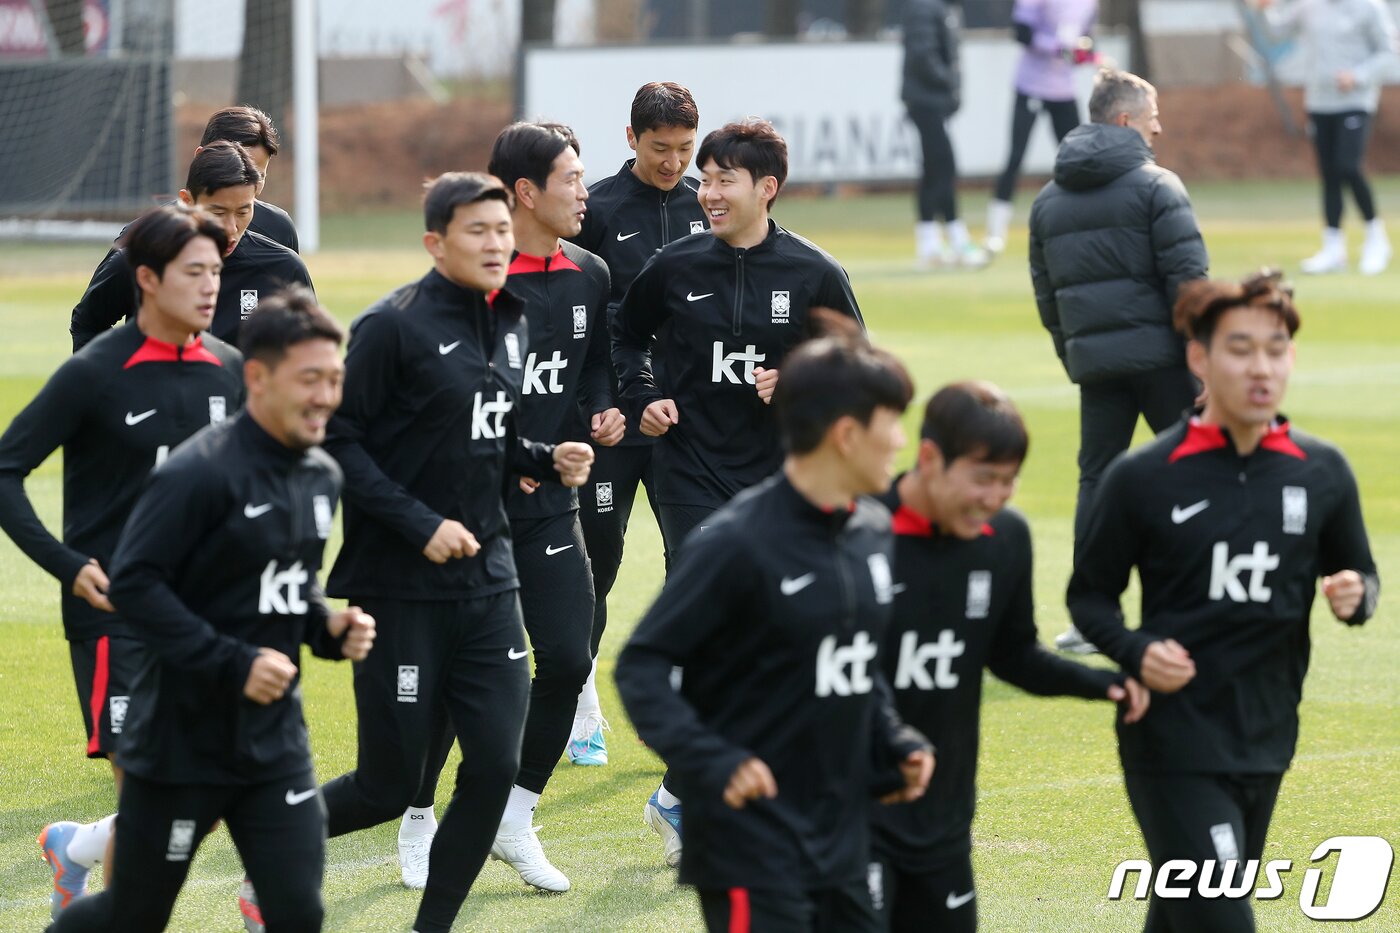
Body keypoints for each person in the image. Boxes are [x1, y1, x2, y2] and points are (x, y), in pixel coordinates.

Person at [314, 172, 594, 933]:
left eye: (503, 229)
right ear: (435, 242)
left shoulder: (512, 319)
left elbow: (488, 434)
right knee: (389, 781)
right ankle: (278, 843)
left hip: (489, 579)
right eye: (478, 231)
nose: (497, 243)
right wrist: (419, 524)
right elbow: (338, 441)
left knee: (497, 766)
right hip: (400, 585)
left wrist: (542, 455)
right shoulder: (389, 327)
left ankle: (431, 925)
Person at [49, 288, 376, 933]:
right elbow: (136, 587)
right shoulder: (198, 472)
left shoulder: (320, 475)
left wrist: (328, 628)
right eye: (308, 379)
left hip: (275, 746)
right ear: (256, 377)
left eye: (334, 380)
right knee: (132, 915)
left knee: (296, 914)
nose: (324, 396)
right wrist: (234, 663)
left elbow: (285, 590)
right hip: (178, 745)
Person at [1067, 270, 1379, 933]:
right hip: (1171, 738)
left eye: (1276, 348)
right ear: (1199, 358)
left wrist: (1355, 595)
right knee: (1219, 918)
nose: (1261, 367)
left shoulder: (1321, 472)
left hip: (1267, 734)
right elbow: (1088, 597)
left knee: (1184, 915)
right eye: (1241, 349)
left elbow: (1362, 576)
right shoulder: (1142, 476)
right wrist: (1137, 649)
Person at [615, 336, 933, 933]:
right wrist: (711, 760)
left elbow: (856, 661)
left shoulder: (871, 531)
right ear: (845, 434)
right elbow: (642, 666)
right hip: (748, 841)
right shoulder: (735, 543)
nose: (898, 441)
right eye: (890, 424)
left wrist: (894, 738)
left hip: (845, 826)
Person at [611, 118, 863, 865]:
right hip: (688, 472)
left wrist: (802, 380)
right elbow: (626, 338)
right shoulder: (675, 263)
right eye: (706, 178)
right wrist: (643, 396)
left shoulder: (815, 272)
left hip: (778, 481)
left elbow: (858, 366)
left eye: (722, 179)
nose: (708, 191)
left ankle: (683, 791)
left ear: (767, 189)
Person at [0, 204, 245, 918]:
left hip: (206, 613)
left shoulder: (228, 371)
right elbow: (7, 468)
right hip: (117, 617)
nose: (210, 288)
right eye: (194, 272)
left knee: (204, 791)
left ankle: (76, 847)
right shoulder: (94, 372)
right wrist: (68, 564)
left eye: (217, 273)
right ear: (146, 278)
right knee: (147, 794)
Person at [396, 122, 620, 893]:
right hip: (466, 514)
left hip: (552, 506)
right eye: (572, 179)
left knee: (568, 654)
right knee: (465, 673)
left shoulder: (591, 272)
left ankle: (513, 815)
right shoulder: (469, 285)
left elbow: (592, 370)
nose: (585, 192)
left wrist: (602, 413)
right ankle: (421, 815)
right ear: (526, 193)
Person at [870, 381, 1149, 932]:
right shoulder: (855, 533)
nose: (995, 496)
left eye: (1008, 480)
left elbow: (1014, 654)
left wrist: (1107, 683)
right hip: (849, 816)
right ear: (929, 459)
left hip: (943, 814)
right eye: (982, 478)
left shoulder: (1004, 538)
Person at [1028, 68, 1208, 654]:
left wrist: (1075, 355)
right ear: (1126, 120)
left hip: (1095, 365)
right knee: (1195, 474)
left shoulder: (1048, 199)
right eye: (1153, 119)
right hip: (1164, 363)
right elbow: (1189, 284)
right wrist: (1201, 362)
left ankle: (1088, 619)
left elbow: (1046, 295)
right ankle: (1199, 606)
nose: (1159, 130)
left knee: (1097, 483)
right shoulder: (1158, 185)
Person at [566, 80, 708, 769]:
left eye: (684, 149)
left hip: (686, 422)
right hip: (612, 422)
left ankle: (682, 708)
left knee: (694, 559)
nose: (673, 163)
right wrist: (597, 403)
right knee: (599, 562)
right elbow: (580, 319)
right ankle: (581, 702)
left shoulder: (707, 204)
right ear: (631, 139)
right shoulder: (598, 208)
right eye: (660, 148)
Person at [70, 142, 313, 351]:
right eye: (217, 212)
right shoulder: (137, 261)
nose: (231, 227)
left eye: (243, 211)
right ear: (186, 201)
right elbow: (88, 323)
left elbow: (307, 347)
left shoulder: (284, 268)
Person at [1252, 0, 1398, 274]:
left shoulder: (1369, 7)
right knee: (1329, 174)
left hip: (1355, 100)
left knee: (1349, 167)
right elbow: (1275, 32)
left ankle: (1376, 239)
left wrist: (1358, 75)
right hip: (1319, 102)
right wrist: (1263, 9)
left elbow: (1388, 53)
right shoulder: (1309, 6)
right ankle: (1333, 249)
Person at [985, 0, 1099, 254]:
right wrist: (1056, 47)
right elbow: (1021, 33)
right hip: (1031, 85)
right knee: (1016, 157)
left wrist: (1086, 55)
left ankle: (1088, 222)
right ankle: (995, 232)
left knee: (1078, 158)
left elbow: (1087, 38)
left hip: (1063, 89)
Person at [900, 0, 989, 268]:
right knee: (944, 166)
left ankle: (929, 245)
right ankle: (956, 240)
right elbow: (923, 56)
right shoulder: (925, 8)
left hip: (929, 101)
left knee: (933, 169)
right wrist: (949, 82)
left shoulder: (935, 8)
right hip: (927, 101)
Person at [198, 105, 300, 252]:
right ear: (200, 157)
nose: (248, 185)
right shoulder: (160, 229)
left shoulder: (278, 228)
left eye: (258, 176)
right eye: (238, 172)